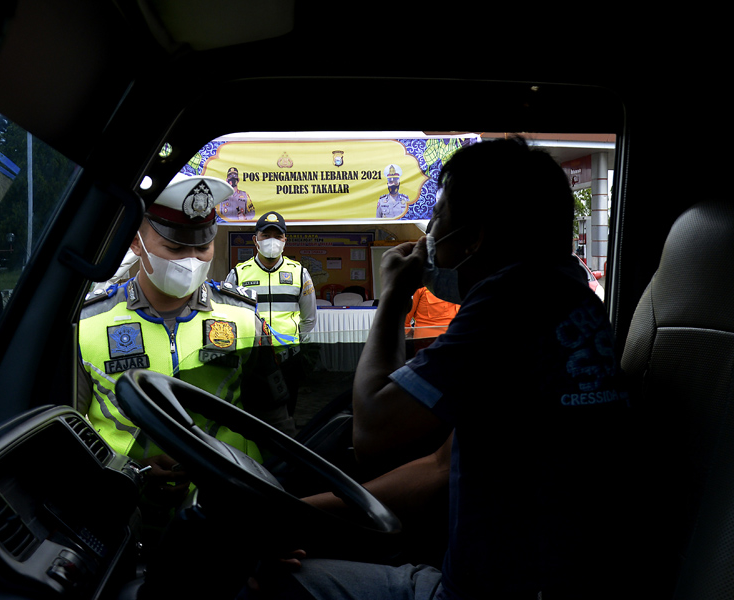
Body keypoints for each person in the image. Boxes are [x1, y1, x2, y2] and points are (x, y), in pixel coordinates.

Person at [243, 138, 638, 599]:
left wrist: (392, 295)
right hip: (497, 581)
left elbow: (371, 431)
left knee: (258, 586)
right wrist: (286, 516)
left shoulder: (510, 302)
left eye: (441, 218)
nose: (430, 233)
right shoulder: (567, 297)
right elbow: (437, 468)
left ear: (474, 237)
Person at [77, 175, 295, 499]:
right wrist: (123, 469)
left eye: (203, 247)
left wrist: (282, 504)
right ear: (136, 242)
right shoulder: (88, 322)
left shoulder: (244, 317)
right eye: (175, 247)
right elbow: (68, 425)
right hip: (123, 508)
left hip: (227, 508)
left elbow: (273, 420)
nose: (191, 260)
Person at [225, 211, 316, 415]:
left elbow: (308, 319)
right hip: (252, 358)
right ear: (255, 239)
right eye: (266, 236)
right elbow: (228, 317)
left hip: (287, 359)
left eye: (277, 236)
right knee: (251, 412)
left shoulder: (299, 273)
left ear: (285, 240)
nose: (272, 241)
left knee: (287, 412)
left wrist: (290, 343)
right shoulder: (239, 274)